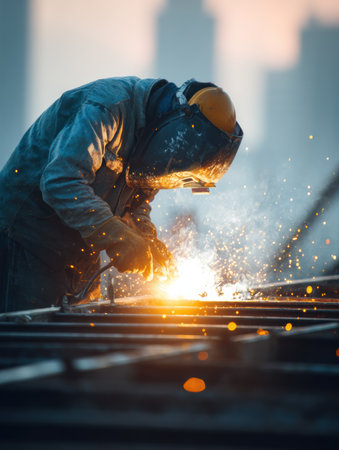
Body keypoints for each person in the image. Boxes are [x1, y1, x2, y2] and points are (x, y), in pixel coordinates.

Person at [0, 77, 243, 312]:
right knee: (35, 347)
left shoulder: (158, 147)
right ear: (179, 124)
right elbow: (60, 182)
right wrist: (118, 237)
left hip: (80, 254)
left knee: (79, 345)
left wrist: (148, 242)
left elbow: (136, 205)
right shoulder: (106, 109)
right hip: (26, 243)